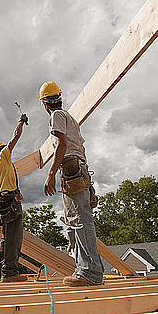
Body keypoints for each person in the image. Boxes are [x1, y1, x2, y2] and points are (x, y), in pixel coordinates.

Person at [39, 81, 103, 286]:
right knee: (77, 220)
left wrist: (50, 174)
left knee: (79, 220)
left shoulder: (56, 116)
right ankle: (86, 269)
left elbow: (61, 144)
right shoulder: (69, 117)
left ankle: (89, 272)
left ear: (45, 104)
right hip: (77, 168)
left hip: (71, 167)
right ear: (59, 98)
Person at [0, 113, 29, 282]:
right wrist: (21, 121)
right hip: (9, 202)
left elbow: (4, 185)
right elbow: (16, 136)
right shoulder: (3, 156)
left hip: (3, 201)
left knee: (7, 236)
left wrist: (15, 192)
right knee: (14, 237)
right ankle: (10, 273)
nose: (8, 150)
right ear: (1, 150)